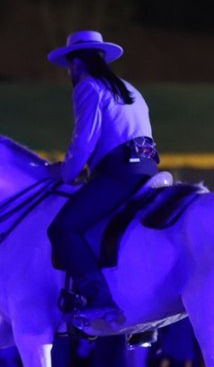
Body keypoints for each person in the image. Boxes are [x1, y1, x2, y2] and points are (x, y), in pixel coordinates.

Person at [45, 31, 159, 331]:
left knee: (63, 228)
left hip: (119, 172)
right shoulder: (130, 89)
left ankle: (98, 297)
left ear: (76, 64)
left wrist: (66, 173)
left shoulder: (88, 86)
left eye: (69, 67)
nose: (69, 73)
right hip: (148, 168)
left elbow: (83, 141)